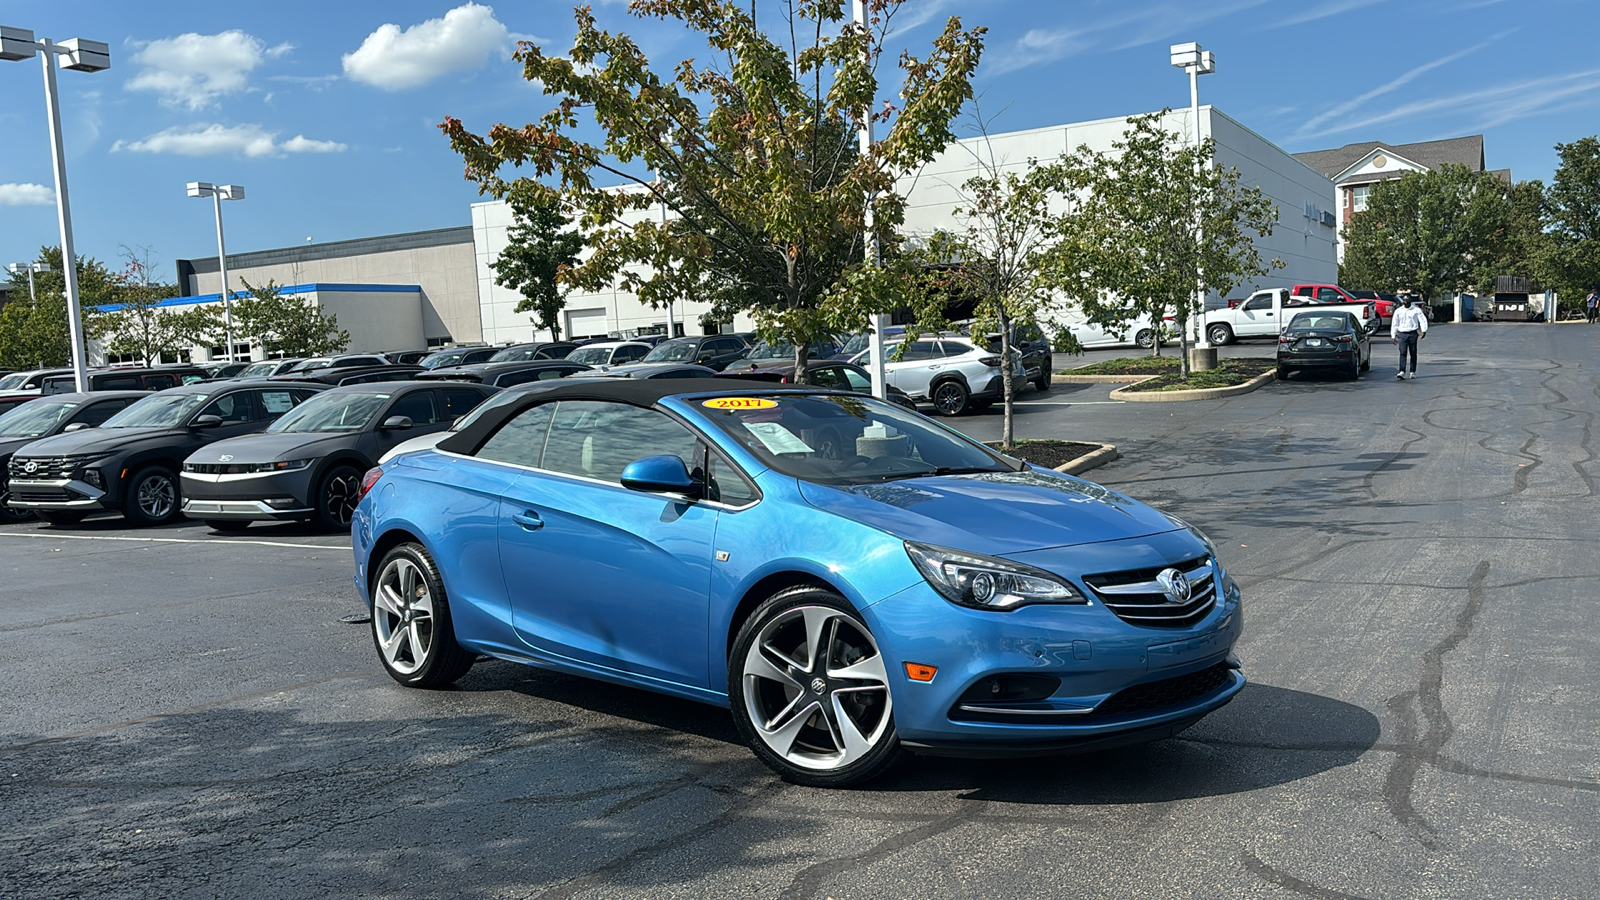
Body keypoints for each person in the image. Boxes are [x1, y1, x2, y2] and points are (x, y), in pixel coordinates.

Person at [1391, 296, 1428, 379]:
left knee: (1413, 352)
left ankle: (1412, 371)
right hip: (1402, 334)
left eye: (1407, 300)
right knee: (1402, 352)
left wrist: (1424, 330)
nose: (1405, 302)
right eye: (1404, 300)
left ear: (1410, 301)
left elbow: (1422, 320)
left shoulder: (1416, 310)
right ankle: (1402, 371)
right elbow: (1394, 323)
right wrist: (1393, 335)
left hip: (1412, 333)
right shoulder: (1399, 311)